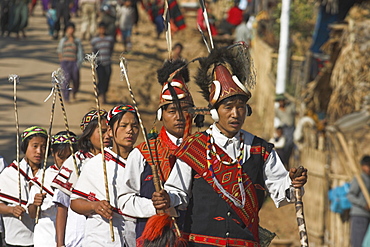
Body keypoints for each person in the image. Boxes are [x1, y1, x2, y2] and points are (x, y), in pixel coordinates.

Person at [152, 45, 308, 246]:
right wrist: (166, 198)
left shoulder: (261, 150)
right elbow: (177, 192)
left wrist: (293, 183)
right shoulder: (194, 148)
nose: (235, 114)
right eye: (228, 107)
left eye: (241, 107)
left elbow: (281, 192)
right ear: (215, 112)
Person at [118, 60, 194, 239]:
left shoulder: (202, 150)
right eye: (172, 111)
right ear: (161, 115)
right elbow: (124, 200)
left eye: (184, 110)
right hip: (151, 237)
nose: (179, 117)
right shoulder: (142, 154)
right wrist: (156, 206)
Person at [70, 105, 140, 246]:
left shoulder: (143, 161)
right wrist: (95, 206)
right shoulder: (97, 163)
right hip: (101, 238)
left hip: (134, 237)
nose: (129, 130)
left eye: (134, 126)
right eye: (123, 126)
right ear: (110, 131)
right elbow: (75, 202)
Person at [50, 109, 110, 247]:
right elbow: (62, 206)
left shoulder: (117, 159)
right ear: (88, 135)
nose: (107, 136)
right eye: (102, 131)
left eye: (109, 131)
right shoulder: (76, 162)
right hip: (79, 234)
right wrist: (60, 243)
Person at [27, 131, 78, 247]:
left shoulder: (79, 174)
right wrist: (35, 204)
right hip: (47, 236)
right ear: (52, 153)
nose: (65, 162)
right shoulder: (42, 178)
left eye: (69, 157)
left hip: (73, 234)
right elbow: (32, 214)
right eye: (61, 157)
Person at [0, 126, 48, 247]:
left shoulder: (47, 176)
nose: (39, 151)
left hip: (41, 240)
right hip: (14, 239)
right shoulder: (10, 173)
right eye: (35, 146)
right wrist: (11, 209)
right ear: (24, 147)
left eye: (43, 147)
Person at [57, 22, 84, 103]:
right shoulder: (63, 40)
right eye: (69, 29)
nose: (70, 31)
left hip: (74, 62)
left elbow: (80, 52)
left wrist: (79, 62)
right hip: (65, 62)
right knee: (66, 79)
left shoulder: (77, 41)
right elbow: (60, 51)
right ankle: (66, 97)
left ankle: (74, 92)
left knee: (76, 79)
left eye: (72, 29)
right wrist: (62, 61)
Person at [347, 155, 370, 247]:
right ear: (362, 166)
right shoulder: (359, 179)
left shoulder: (368, 179)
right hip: (359, 215)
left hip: (367, 216)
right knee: (358, 242)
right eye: (367, 166)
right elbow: (350, 195)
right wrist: (364, 204)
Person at [91, 22, 114, 104]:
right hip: (99, 64)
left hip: (108, 62)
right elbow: (94, 52)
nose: (102, 30)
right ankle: (101, 95)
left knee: (107, 79)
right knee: (101, 79)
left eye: (103, 29)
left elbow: (111, 49)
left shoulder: (110, 39)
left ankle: (103, 92)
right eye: (100, 29)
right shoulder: (95, 40)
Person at [274, 94, 295, 167]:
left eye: (282, 101)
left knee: (290, 143)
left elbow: (295, 111)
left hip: (290, 127)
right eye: (280, 101)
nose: (281, 102)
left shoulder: (290, 107)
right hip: (283, 128)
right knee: (283, 144)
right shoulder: (277, 110)